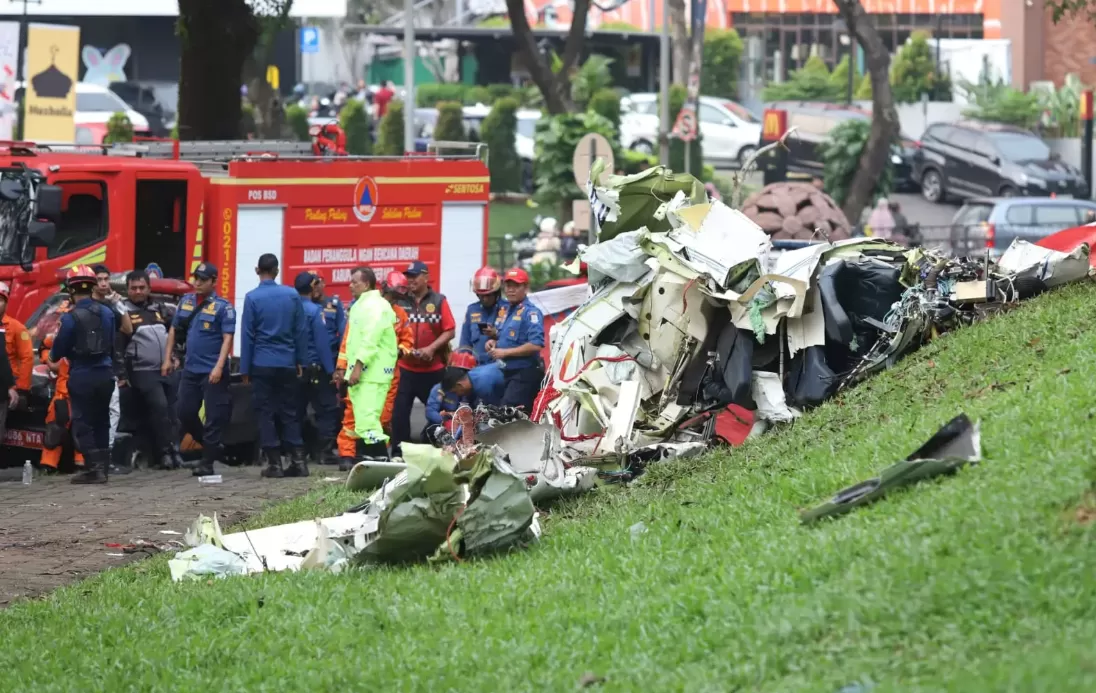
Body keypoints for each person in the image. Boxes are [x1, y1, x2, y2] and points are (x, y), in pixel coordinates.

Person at [163, 262, 235, 478]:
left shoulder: (224, 307)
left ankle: (207, 462)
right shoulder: (186, 302)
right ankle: (210, 447)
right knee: (184, 411)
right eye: (196, 278)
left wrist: (219, 366)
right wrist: (167, 358)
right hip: (191, 369)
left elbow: (227, 338)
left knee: (214, 416)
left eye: (203, 280)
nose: (197, 283)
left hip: (213, 370)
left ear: (214, 281)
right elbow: (174, 330)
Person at [241, 254, 309, 478]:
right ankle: (299, 461)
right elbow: (300, 331)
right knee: (290, 411)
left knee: (265, 412)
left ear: (256, 270)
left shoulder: (252, 298)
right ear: (277, 271)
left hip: (262, 363)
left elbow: (248, 336)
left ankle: (274, 464)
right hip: (288, 362)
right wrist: (301, 360)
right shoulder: (291, 295)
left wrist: (245, 369)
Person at [47, 266, 116, 484]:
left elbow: (57, 353)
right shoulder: (107, 312)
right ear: (93, 286)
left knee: (82, 422)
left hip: (82, 375)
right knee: (102, 419)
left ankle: (94, 469)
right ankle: (103, 466)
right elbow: (113, 344)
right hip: (105, 373)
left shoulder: (69, 318)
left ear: (71, 290)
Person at [115, 270, 180, 472]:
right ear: (127, 290)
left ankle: (174, 451)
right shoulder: (122, 311)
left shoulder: (160, 308)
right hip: (141, 370)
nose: (138, 291)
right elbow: (117, 346)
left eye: (142, 287)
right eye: (133, 288)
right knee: (159, 408)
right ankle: (164, 454)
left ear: (149, 288)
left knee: (172, 412)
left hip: (165, 369)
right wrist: (122, 375)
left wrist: (175, 355)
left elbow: (173, 334)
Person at [391, 261, 456, 447]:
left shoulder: (439, 300)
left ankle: (437, 445)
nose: (410, 280)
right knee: (399, 412)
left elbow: (450, 330)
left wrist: (431, 349)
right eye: (408, 276)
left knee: (439, 412)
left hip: (433, 370)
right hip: (405, 368)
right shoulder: (400, 300)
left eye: (414, 276)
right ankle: (398, 452)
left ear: (426, 277)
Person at [344, 267, 397, 460]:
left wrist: (358, 366)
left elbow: (370, 339)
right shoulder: (362, 305)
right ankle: (369, 458)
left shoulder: (375, 306)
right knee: (364, 420)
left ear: (366, 284)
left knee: (368, 419)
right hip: (365, 373)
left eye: (354, 282)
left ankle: (380, 457)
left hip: (372, 372)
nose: (350, 285)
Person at [294, 271, 339, 464]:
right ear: (312, 287)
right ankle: (324, 453)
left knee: (295, 411)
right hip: (317, 369)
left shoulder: (291, 309)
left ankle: (297, 454)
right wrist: (331, 371)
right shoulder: (314, 311)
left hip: (295, 369)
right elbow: (322, 344)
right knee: (328, 409)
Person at [487, 268, 545, 412]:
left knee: (507, 415)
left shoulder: (531, 312)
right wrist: (494, 342)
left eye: (516, 286)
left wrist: (505, 353)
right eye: (508, 286)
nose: (511, 290)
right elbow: (505, 336)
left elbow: (536, 344)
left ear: (526, 288)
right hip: (507, 373)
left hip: (525, 373)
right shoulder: (506, 310)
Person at [38, 332, 84, 472]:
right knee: (55, 428)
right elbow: (44, 346)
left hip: (84, 392)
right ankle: (48, 465)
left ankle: (82, 463)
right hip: (63, 393)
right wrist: (50, 361)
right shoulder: (61, 336)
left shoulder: (95, 339)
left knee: (83, 430)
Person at [379, 271, 415, 448]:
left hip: (391, 371)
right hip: (367, 369)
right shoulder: (371, 309)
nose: (393, 299)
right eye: (391, 295)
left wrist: (401, 350)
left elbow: (408, 340)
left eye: (396, 296)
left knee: (388, 414)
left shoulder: (400, 314)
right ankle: (361, 451)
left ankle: (383, 452)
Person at [0, 281, 33, 439]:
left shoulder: (17, 328)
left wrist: (21, 389)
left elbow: (27, 357)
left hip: (7, 386)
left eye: (0, 300)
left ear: (6, 303)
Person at [459, 267, 505, 365]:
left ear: (496, 292)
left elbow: (515, 341)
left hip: (501, 367)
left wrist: (496, 334)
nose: (485, 299)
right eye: (481, 295)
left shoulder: (508, 309)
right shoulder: (472, 310)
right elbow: (465, 343)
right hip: (476, 368)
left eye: (488, 295)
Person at [310, 274, 346, 367]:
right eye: (311, 284)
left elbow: (343, 333)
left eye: (317, 283)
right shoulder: (304, 305)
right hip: (310, 357)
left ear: (323, 283)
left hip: (331, 356)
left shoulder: (334, 304)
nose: (314, 287)